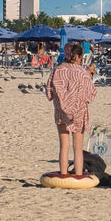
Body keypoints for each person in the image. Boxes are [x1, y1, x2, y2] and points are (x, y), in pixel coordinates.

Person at [45, 42, 97, 176]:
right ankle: (78, 174)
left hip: (61, 112)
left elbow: (49, 94)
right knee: (78, 148)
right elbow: (91, 95)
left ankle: (63, 174)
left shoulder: (57, 70)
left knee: (64, 146)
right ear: (78, 56)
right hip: (78, 112)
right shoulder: (81, 72)